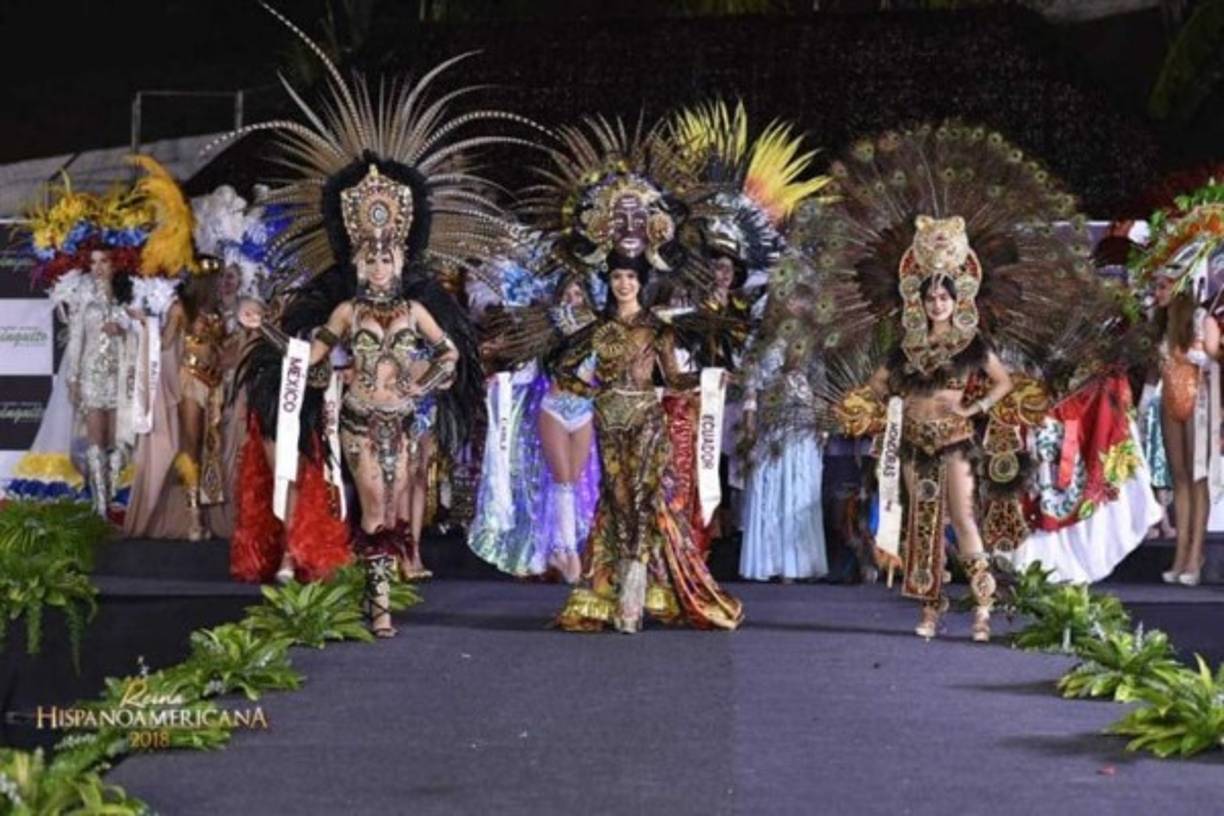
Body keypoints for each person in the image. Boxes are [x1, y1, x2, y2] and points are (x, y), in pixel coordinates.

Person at [221, 4, 523, 635]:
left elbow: (452, 355)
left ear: (400, 255)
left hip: (402, 419)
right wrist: (264, 329)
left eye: (387, 255)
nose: (379, 263)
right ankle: (377, 602)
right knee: (374, 512)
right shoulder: (345, 307)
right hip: (359, 420)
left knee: (390, 511)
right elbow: (311, 350)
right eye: (369, 254)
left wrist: (428, 380)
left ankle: (379, 588)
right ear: (357, 255)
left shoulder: (416, 307)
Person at [553, 253, 743, 633]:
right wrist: (589, 392)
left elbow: (673, 377)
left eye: (630, 277)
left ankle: (631, 603)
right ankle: (618, 591)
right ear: (609, 281)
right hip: (608, 421)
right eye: (617, 277)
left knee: (642, 499)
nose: (624, 284)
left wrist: (709, 378)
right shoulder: (597, 327)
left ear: (641, 282)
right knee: (618, 500)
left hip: (646, 419)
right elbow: (561, 368)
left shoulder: (656, 327)